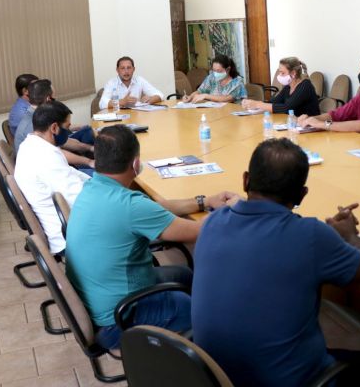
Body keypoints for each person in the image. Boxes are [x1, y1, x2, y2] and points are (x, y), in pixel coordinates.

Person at [192, 138, 360, 387]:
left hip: (214, 375)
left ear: (245, 180)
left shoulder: (212, 222)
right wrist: (350, 236)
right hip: (288, 381)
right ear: (302, 194)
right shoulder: (310, 235)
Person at [65, 125, 237, 349]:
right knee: (200, 313)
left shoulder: (93, 187)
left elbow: (154, 208)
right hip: (118, 321)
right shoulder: (129, 206)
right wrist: (232, 210)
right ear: (135, 164)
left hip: (99, 302)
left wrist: (204, 201)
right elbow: (200, 232)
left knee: (183, 275)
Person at [14, 101, 89, 255]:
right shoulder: (46, 157)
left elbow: (69, 172)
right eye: (67, 127)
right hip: (68, 237)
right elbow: (79, 199)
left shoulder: (30, 145)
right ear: (54, 128)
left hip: (65, 222)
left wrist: (92, 180)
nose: (68, 132)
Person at [13, 80, 95, 174]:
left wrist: (89, 150)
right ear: (48, 99)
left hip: (52, 164)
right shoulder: (33, 124)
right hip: (47, 169)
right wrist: (88, 161)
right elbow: (56, 152)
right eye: (55, 98)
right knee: (103, 175)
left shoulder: (39, 115)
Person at [240, 56, 320, 116]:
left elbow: (286, 108)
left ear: (293, 73)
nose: (279, 75)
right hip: (294, 124)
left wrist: (258, 104)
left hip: (309, 128)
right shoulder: (288, 87)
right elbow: (273, 102)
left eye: (282, 73)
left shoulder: (305, 86)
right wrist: (252, 104)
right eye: (279, 72)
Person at [98, 56, 164, 110]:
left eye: (129, 68)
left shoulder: (139, 80)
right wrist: (121, 102)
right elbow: (102, 103)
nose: (126, 71)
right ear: (117, 70)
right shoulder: (111, 83)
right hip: (118, 119)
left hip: (136, 117)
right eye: (122, 68)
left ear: (133, 69)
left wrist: (148, 100)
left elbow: (160, 95)